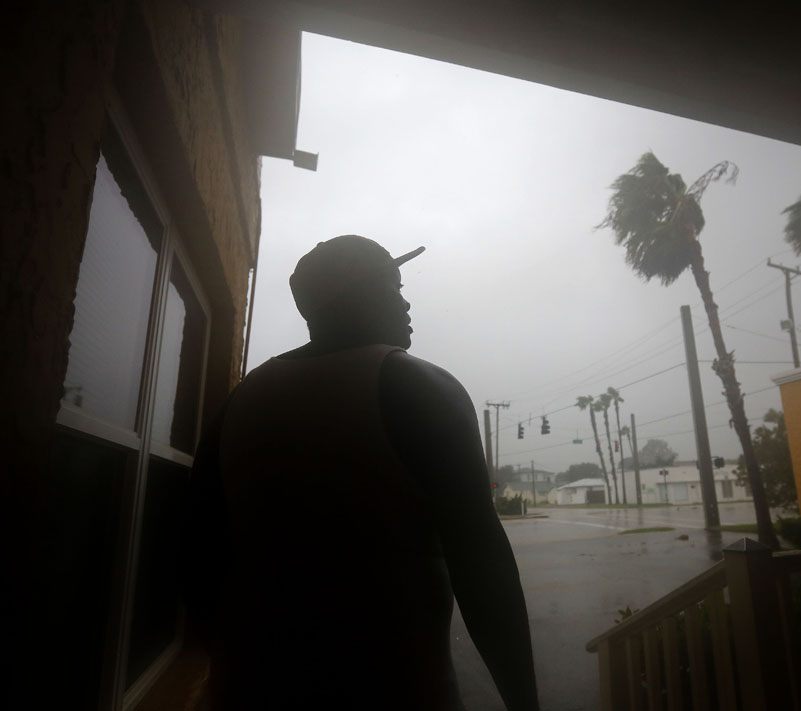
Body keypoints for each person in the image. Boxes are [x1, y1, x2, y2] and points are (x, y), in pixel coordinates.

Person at [183, 235, 538, 710]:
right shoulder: (417, 387)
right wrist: (524, 701)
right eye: (391, 286)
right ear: (354, 296)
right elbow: (481, 565)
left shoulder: (239, 402)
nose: (405, 301)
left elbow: (198, 551)